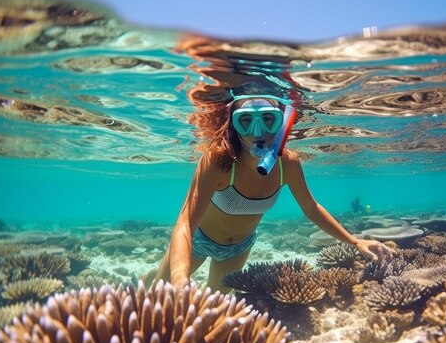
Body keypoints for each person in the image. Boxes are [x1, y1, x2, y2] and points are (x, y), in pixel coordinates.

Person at [146, 83, 395, 293]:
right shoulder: (219, 161)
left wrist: (354, 242)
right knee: (160, 294)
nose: (258, 132)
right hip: (198, 241)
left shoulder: (288, 163)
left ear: (281, 124)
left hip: (239, 249)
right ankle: (150, 277)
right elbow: (186, 223)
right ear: (232, 125)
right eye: (245, 121)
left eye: (267, 119)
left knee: (214, 305)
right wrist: (180, 277)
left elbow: (311, 208)